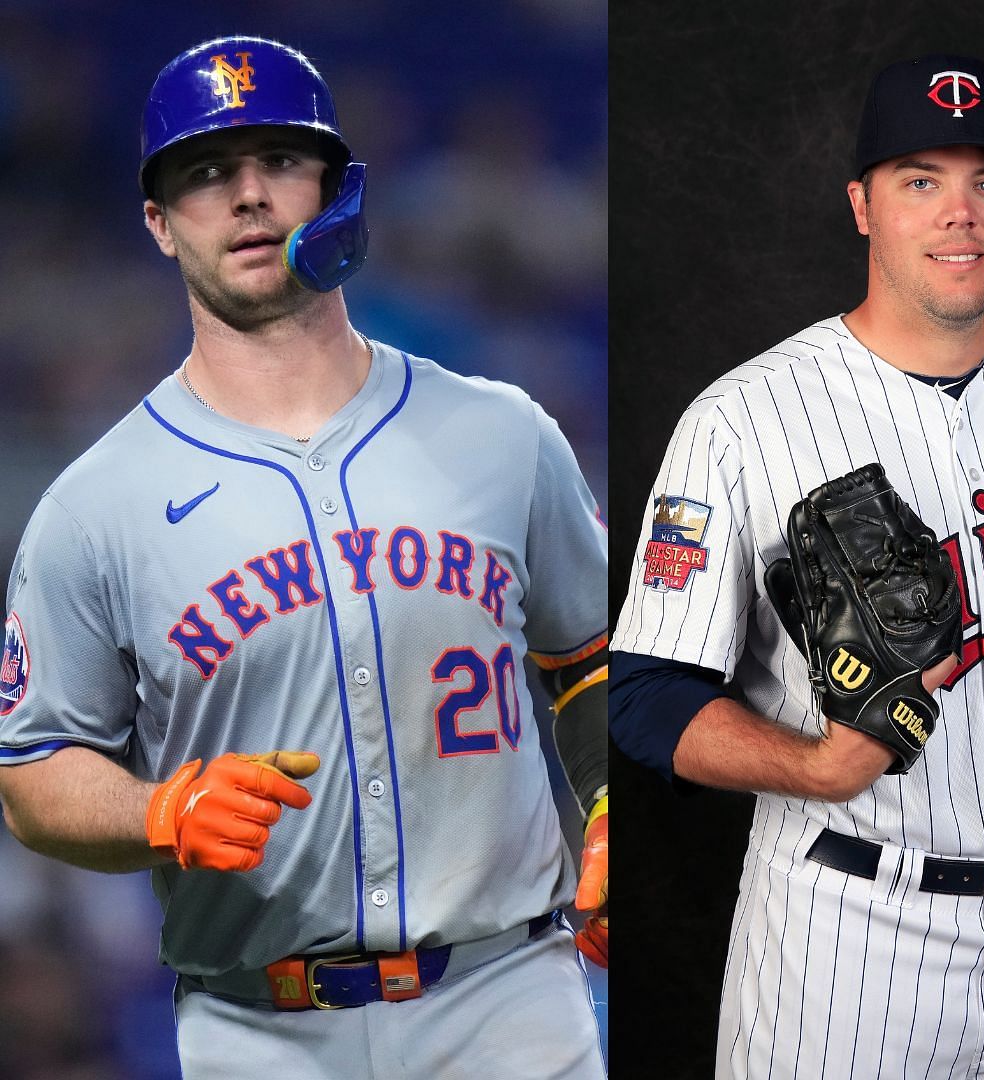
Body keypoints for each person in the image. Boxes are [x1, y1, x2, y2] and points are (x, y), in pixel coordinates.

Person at [0, 36, 609, 1078]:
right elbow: (33, 774)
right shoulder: (95, 506)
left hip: (511, 1003)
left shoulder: (503, 434)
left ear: (335, 189)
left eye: (278, 161)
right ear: (157, 222)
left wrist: (612, 800)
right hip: (257, 1029)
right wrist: (156, 809)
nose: (246, 197)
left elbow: (594, 661)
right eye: (203, 174)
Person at [612, 54, 984, 1075]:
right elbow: (647, 694)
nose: (958, 215)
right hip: (846, 928)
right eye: (920, 180)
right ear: (862, 206)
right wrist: (814, 767)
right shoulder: (743, 419)